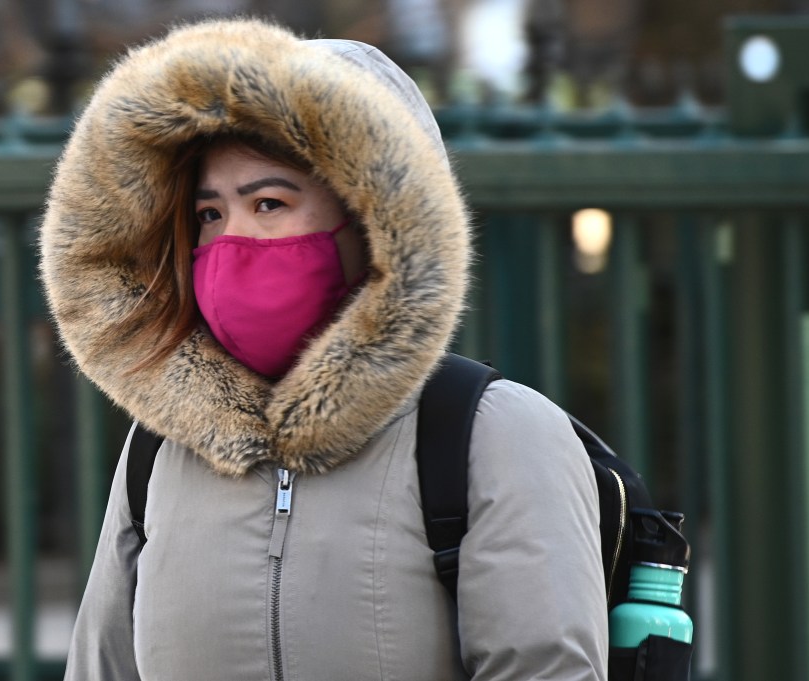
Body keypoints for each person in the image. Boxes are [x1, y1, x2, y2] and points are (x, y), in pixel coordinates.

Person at [40, 17, 607, 681]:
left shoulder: (496, 434)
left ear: (373, 219)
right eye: (210, 214)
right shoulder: (159, 451)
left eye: (271, 203)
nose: (232, 240)